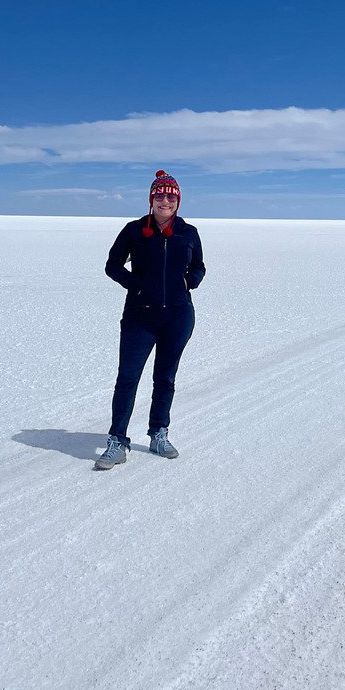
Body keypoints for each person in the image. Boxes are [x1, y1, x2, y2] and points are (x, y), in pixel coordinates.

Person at [97, 170, 205, 470]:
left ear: (178, 200)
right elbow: (112, 265)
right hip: (139, 317)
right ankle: (117, 441)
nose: (165, 201)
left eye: (171, 196)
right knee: (128, 378)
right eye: (160, 195)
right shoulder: (134, 230)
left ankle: (159, 432)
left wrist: (189, 282)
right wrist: (137, 285)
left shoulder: (189, 231)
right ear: (151, 199)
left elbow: (199, 267)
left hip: (178, 316)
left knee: (165, 378)